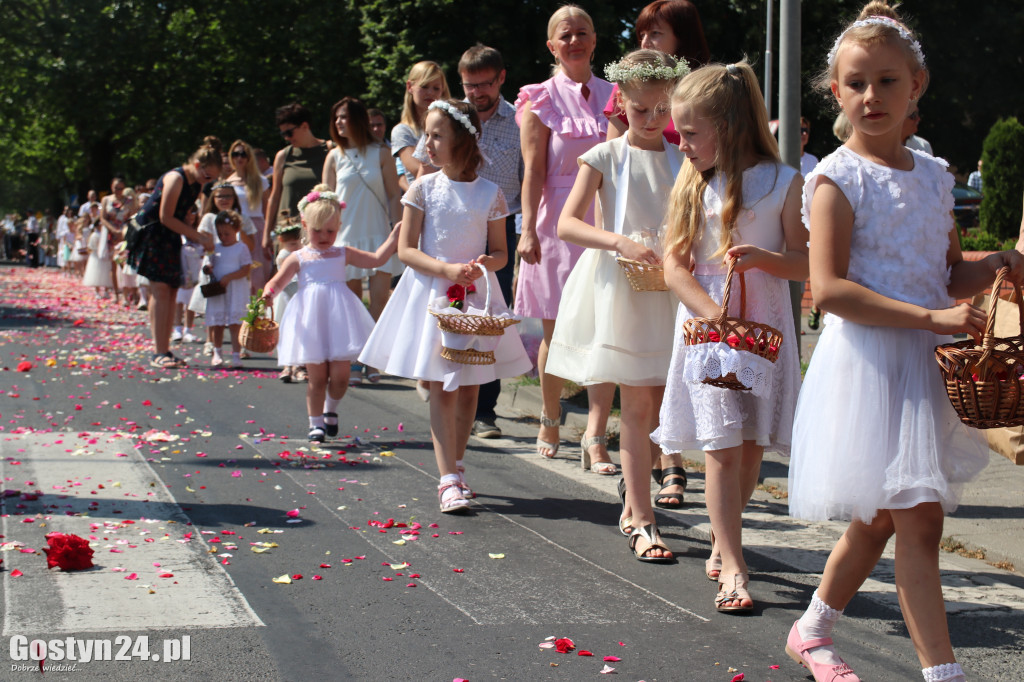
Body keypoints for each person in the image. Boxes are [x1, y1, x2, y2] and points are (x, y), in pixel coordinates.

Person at [786, 6, 1024, 682]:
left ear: (917, 84)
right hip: (869, 364)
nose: (872, 97)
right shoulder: (834, 179)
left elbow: (947, 271)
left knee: (882, 518)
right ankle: (941, 674)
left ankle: (811, 629)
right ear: (836, 93)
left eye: (887, 81)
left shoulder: (933, 176)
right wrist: (932, 319)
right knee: (914, 522)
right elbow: (829, 290)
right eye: (856, 84)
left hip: (924, 364)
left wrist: (1000, 261)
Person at [653, 61, 807, 609]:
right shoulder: (694, 184)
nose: (683, 144)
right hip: (707, 328)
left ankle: (725, 536)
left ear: (729, 124)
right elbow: (675, 266)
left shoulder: (785, 182)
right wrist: (708, 316)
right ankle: (734, 564)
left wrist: (767, 259)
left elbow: (805, 262)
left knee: (748, 445)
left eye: (691, 133)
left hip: (763, 326)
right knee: (719, 443)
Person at [360, 100, 532, 513]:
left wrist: (478, 267)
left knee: (471, 383)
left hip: (472, 295)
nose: (427, 144)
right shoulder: (422, 188)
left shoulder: (490, 194)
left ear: (463, 140)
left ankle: (458, 463)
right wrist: (446, 268)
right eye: (426, 134)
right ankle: (447, 479)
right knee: (441, 382)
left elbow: (500, 253)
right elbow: (405, 250)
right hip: (434, 294)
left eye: (437, 135)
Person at [549, 50, 688, 559]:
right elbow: (568, 223)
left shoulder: (682, 160)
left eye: (662, 110)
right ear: (621, 103)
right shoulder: (604, 156)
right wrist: (619, 241)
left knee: (661, 405)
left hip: (667, 291)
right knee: (637, 404)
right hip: (619, 288)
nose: (652, 120)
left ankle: (636, 503)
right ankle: (644, 518)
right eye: (641, 109)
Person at [516, 5, 616, 461]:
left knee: (606, 329)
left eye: (582, 32)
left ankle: (596, 433)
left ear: (594, 41)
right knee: (555, 331)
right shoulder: (539, 97)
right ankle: (551, 417)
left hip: (606, 217)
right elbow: (532, 170)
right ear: (551, 46)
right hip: (556, 221)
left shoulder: (617, 94)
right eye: (565, 34)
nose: (574, 40)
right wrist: (527, 232)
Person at [263, 186, 399, 442]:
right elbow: (278, 282)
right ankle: (316, 424)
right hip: (311, 323)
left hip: (339, 321)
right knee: (317, 378)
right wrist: (268, 293)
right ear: (304, 225)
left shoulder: (342, 253)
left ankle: (330, 410)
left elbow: (376, 260)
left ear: (339, 226)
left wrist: (394, 237)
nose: (324, 236)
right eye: (317, 230)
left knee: (340, 376)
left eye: (331, 230)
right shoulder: (298, 257)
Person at [442, 44, 526, 440]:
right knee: (449, 305)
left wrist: (528, 230)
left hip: (500, 227)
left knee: (489, 314)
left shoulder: (521, 121)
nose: (477, 93)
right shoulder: (454, 118)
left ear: (502, 78)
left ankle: (484, 409)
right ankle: (446, 383)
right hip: (454, 221)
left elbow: (530, 179)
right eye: (469, 85)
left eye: (485, 84)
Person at [322, 96, 404, 384]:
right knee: (352, 303)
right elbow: (326, 199)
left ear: (357, 118)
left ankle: (374, 360)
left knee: (380, 300)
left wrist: (399, 230)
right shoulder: (333, 156)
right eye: (336, 118)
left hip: (379, 234)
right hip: (346, 237)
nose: (339, 123)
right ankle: (356, 358)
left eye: (344, 117)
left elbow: (394, 194)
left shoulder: (381, 152)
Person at [127, 144, 219, 369]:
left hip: (170, 237)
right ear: (197, 165)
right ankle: (159, 352)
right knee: (160, 291)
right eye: (206, 175)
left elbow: (181, 216)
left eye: (212, 179)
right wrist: (198, 237)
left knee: (171, 291)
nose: (207, 181)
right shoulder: (175, 178)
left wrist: (192, 227)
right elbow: (165, 216)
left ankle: (164, 348)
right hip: (153, 236)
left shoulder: (196, 184)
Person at [605, 0, 709, 144]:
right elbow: (611, 156)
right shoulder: (628, 85)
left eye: (655, 33)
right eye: (642, 35)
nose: (645, 43)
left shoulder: (707, 90)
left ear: (683, 37)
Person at [188, 182, 258, 355]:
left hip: (236, 262)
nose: (224, 199)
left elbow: (251, 246)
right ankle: (210, 342)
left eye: (228, 196)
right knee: (214, 307)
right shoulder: (209, 218)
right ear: (214, 198)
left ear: (234, 198)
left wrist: (237, 228)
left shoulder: (243, 218)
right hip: (216, 264)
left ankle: (239, 346)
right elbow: (206, 242)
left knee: (237, 310)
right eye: (220, 196)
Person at [263, 103, 330, 260]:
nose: (287, 138)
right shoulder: (283, 156)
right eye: (283, 134)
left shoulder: (330, 150)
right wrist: (266, 234)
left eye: (289, 132)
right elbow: (275, 196)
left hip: (322, 230)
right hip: (289, 233)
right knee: (290, 283)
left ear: (305, 126)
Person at [200, 210, 252, 369]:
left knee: (235, 323)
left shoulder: (241, 248)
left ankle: (236, 354)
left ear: (236, 231)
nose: (223, 237)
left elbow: (246, 268)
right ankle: (217, 352)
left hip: (235, 289)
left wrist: (229, 277)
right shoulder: (215, 248)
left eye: (227, 233)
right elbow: (209, 264)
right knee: (218, 323)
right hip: (219, 290)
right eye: (220, 234)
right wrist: (208, 268)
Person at [391, 61, 450, 186]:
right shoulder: (402, 131)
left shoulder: (451, 127)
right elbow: (419, 170)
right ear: (409, 87)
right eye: (424, 86)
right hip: (423, 200)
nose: (430, 92)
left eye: (436, 88)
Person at [225, 139, 270, 293]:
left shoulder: (260, 181)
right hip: (235, 228)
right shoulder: (227, 182)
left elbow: (267, 208)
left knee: (258, 269)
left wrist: (268, 234)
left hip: (256, 226)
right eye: (235, 154)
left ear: (249, 157)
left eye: (243, 154)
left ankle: (260, 311)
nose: (239, 158)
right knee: (238, 267)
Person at [270, 211, 304, 383]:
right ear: (282, 241)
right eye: (292, 244)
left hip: (298, 297)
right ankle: (286, 365)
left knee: (299, 331)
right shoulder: (284, 256)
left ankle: (297, 366)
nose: (296, 247)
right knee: (286, 331)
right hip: (287, 297)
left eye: (298, 243)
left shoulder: (298, 253)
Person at [82, 202, 115, 297]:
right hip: (96, 256)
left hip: (105, 256)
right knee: (96, 274)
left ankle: (106, 290)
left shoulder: (106, 235)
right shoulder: (94, 235)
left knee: (106, 274)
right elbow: (91, 247)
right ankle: (97, 291)